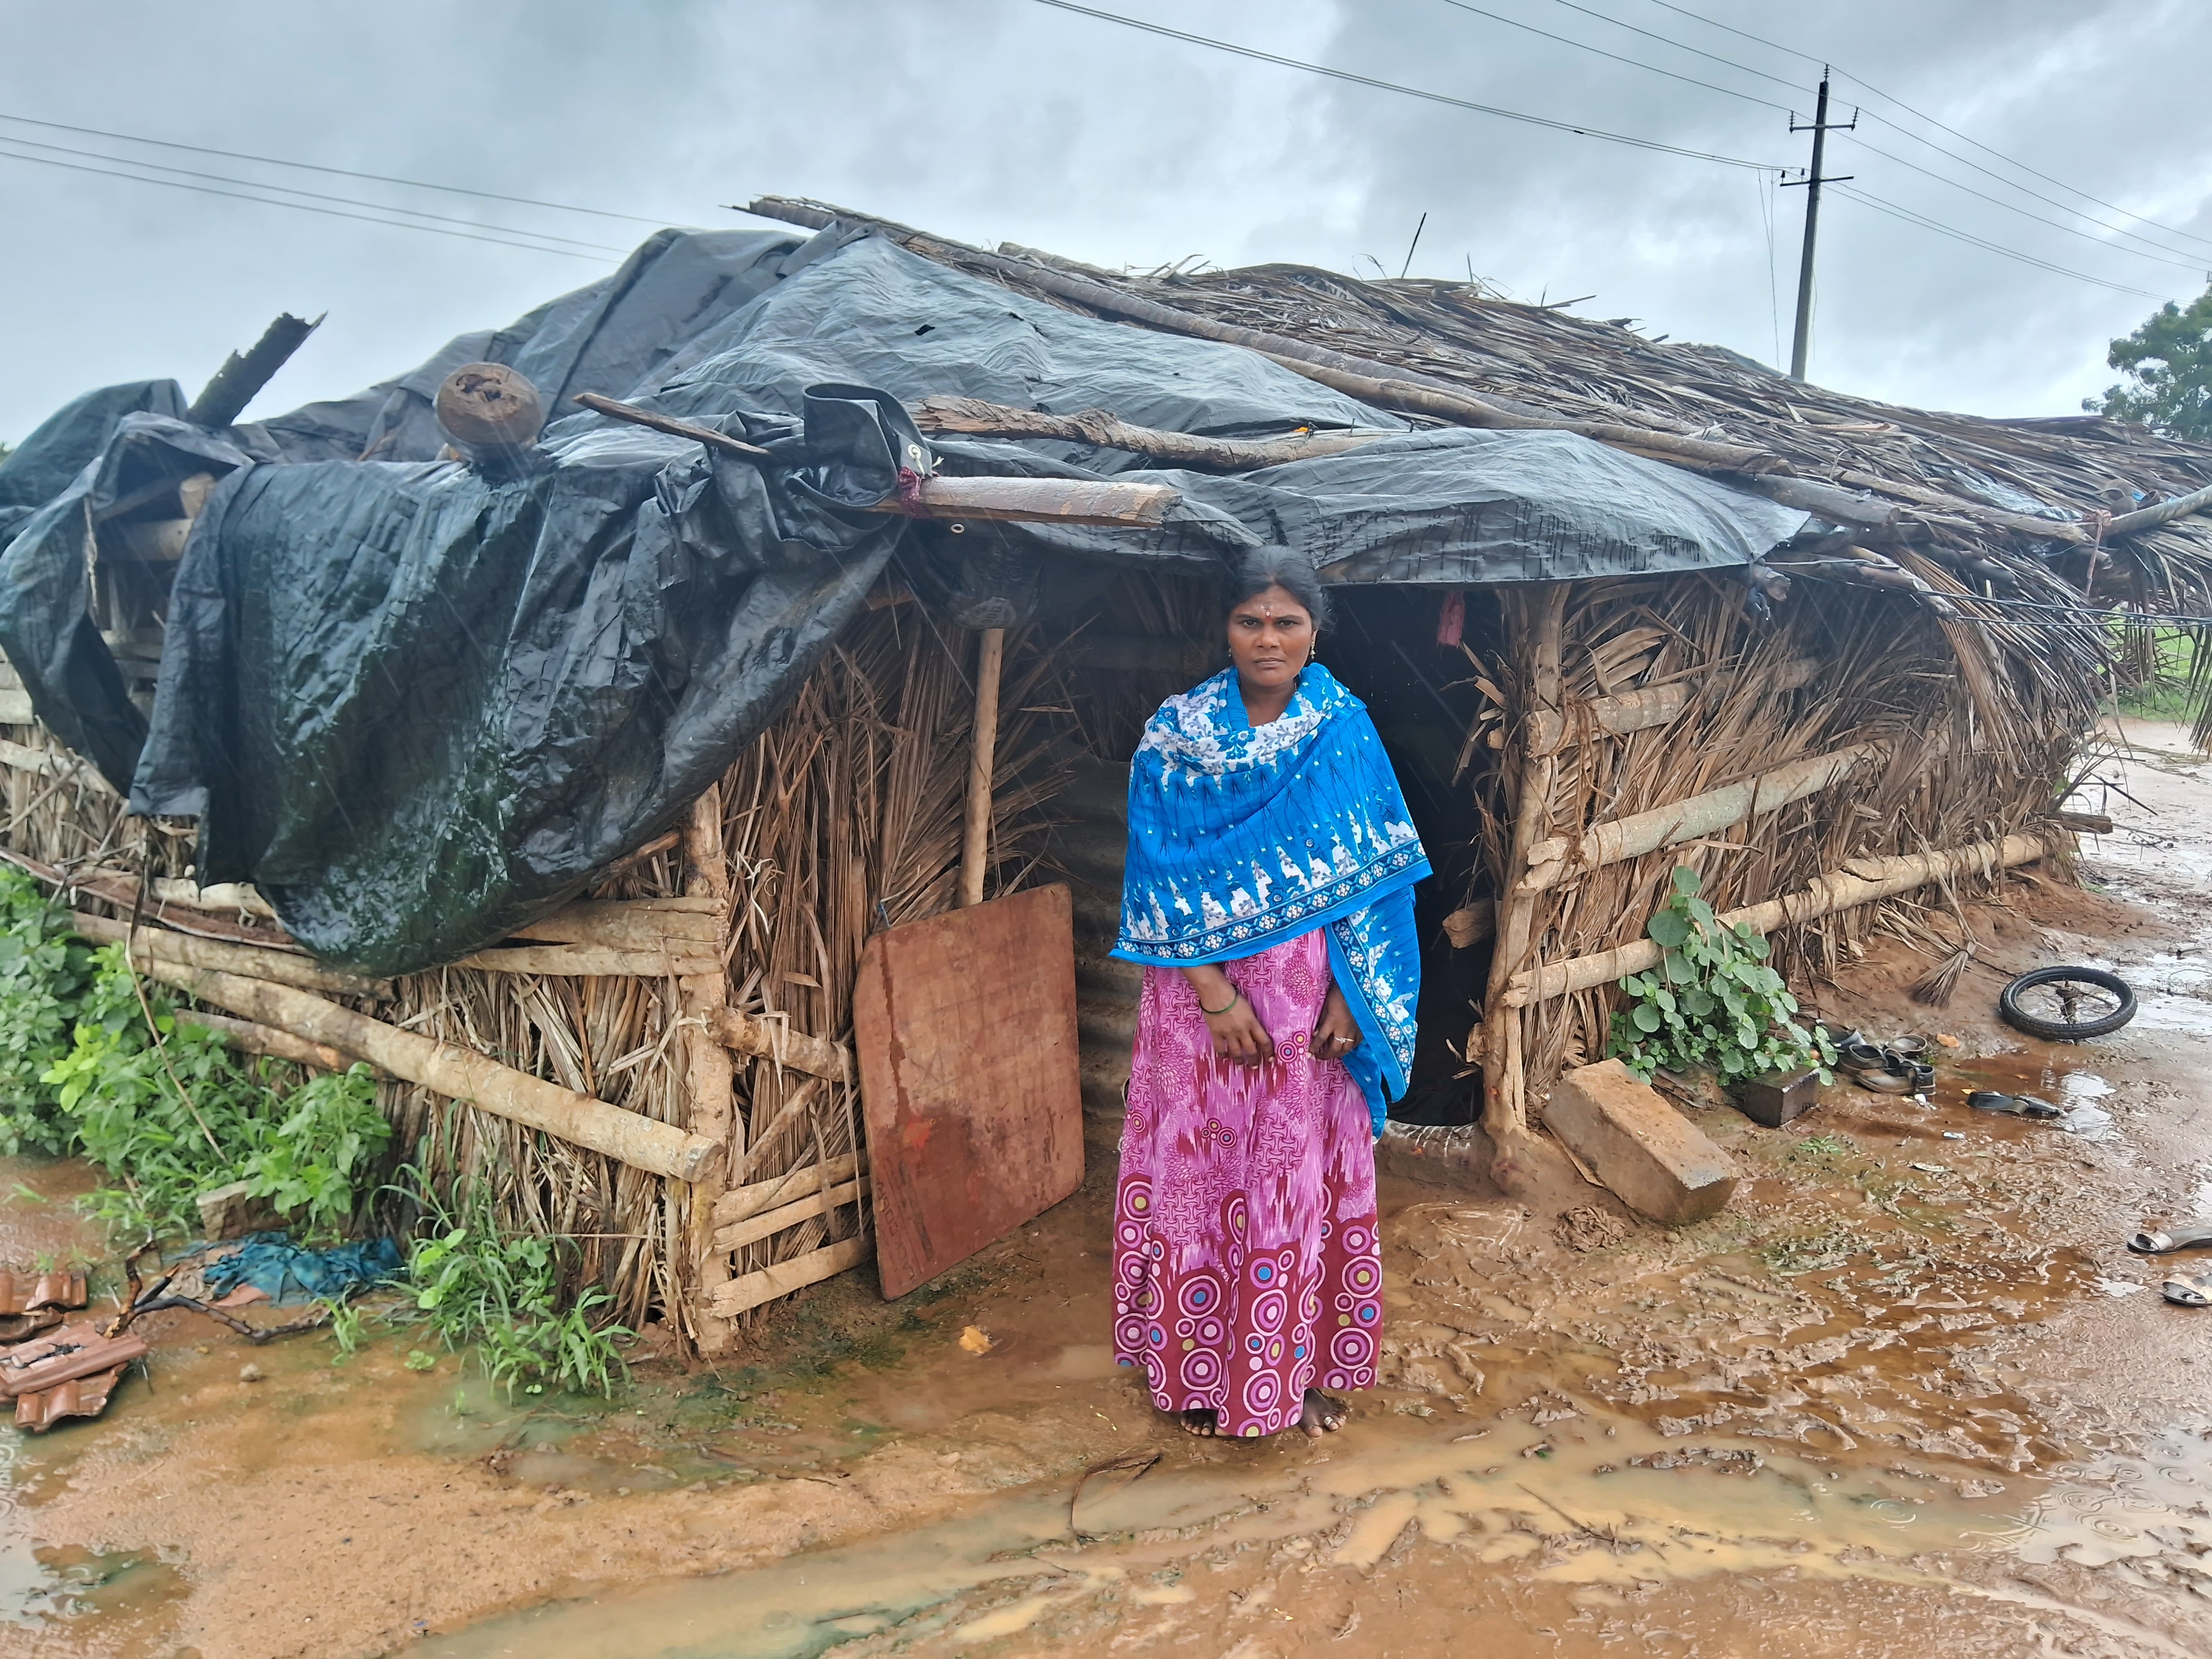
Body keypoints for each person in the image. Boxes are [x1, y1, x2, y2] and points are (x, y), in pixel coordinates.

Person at [1109, 548, 1430, 1440]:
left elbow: (1378, 881)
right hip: (1197, 1010)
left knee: (1296, 1185)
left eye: (1287, 622)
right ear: (1226, 628)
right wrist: (1214, 993)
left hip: (1309, 1006)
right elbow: (1155, 876)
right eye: (1251, 620)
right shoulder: (1175, 737)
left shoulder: (1343, 730)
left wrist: (1351, 1002)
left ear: (1314, 632)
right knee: (1199, 1180)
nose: (1268, 638)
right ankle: (1195, 1373)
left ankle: (1299, 1374)